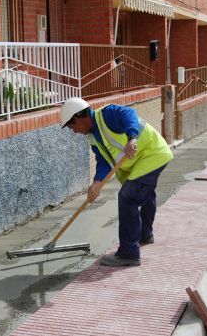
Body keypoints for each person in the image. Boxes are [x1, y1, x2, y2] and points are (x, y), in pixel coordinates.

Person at [60, 97, 173, 266]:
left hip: (152, 154)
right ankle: (145, 234)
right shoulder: (92, 136)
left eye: (71, 126)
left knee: (128, 198)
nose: (73, 131)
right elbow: (103, 160)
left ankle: (129, 254)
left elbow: (129, 114)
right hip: (142, 161)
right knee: (145, 194)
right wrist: (97, 182)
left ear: (78, 117)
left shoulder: (107, 114)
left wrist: (132, 138)